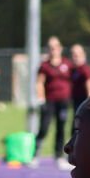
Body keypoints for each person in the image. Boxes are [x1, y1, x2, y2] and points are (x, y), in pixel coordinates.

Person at [33, 37, 74, 168]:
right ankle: (35, 154)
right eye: (50, 47)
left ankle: (58, 156)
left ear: (60, 48)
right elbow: (40, 82)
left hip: (63, 101)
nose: (53, 50)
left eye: (55, 47)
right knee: (44, 127)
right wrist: (41, 98)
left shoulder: (67, 64)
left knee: (61, 128)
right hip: (49, 100)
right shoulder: (45, 66)